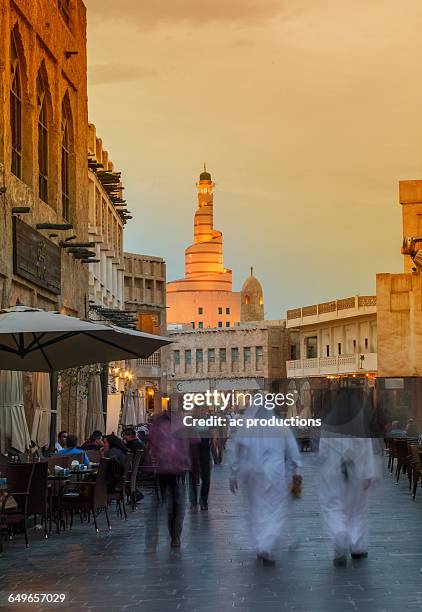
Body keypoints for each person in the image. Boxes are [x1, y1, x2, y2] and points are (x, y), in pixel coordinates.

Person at [228, 404, 302, 566]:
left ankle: (261, 544)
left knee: (256, 511)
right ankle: (266, 545)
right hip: (275, 475)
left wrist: (233, 474)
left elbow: (238, 450)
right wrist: (296, 472)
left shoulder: (247, 428)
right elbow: (293, 451)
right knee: (276, 511)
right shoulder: (280, 427)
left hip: (253, 474)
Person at [318, 385, 381, 566]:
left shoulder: (330, 423)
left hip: (334, 474)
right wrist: (370, 473)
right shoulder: (359, 425)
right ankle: (357, 547)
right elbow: (368, 451)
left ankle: (340, 535)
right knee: (358, 511)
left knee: (335, 508)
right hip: (358, 474)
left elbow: (322, 453)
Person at [148, 409, 199, 548]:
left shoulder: (161, 425)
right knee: (173, 502)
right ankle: (174, 533)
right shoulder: (178, 424)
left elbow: (150, 445)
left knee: (172, 501)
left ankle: (173, 533)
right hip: (171, 469)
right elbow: (195, 441)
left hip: (171, 469)